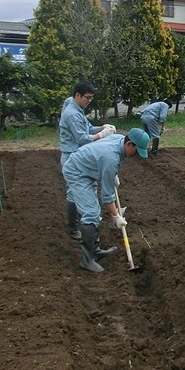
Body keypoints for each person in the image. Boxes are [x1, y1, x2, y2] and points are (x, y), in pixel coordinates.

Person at [61, 127, 150, 273]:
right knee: (91, 213)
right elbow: (107, 196)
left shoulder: (119, 139)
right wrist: (116, 216)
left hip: (87, 167)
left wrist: (112, 174)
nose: (136, 155)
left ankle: (95, 250)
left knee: (94, 211)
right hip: (77, 171)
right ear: (129, 144)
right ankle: (87, 260)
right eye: (137, 150)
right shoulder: (111, 159)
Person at [59, 81, 115, 244]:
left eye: (91, 98)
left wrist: (101, 127)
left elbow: (87, 128)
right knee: (72, 192)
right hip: (71, 155)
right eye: (87, 97)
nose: (89, 101)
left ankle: (79, 226)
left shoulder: (76, 108)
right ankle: (73, 228)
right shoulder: (72, 113)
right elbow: (82, 138)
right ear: (77, 95)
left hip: (78, 155)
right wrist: (102, 135)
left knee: (76, 192)